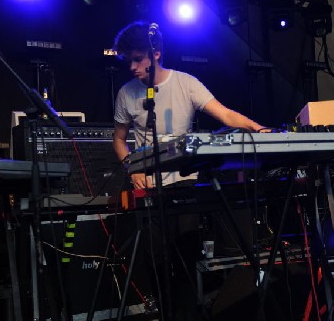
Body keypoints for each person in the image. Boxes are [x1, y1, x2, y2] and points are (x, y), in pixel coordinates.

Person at [111, 20, 265, 320]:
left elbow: (224, 113)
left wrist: (261, 128)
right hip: (149, 188)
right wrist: (132, 169)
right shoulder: (126, 94)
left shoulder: (186, 83)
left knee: (185, 257)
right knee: (154, 259)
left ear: (156, 53)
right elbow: (118, 141)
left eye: (138, 58)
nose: (132, 67)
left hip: (184, 184)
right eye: (127, 60)